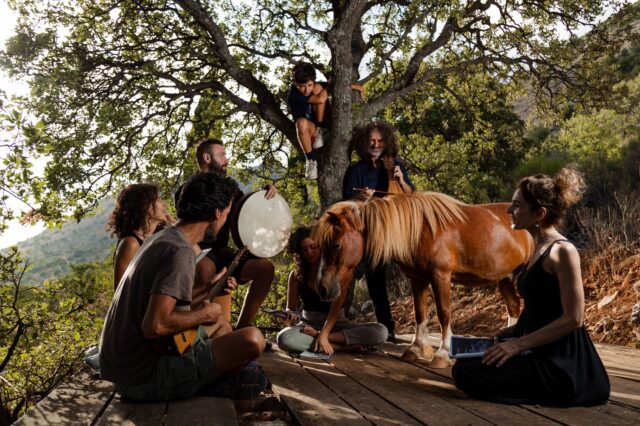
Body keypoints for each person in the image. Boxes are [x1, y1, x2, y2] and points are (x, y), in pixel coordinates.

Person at [100, 172, 268, 401]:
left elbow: (160, 304)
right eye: (227, 213)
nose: (226, 219)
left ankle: (212, 379)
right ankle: (209, 383)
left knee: (220, 324)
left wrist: (208, 288)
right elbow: (155, 326)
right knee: (252, 339)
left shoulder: (163, 238)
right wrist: (204, 312)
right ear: (217, 213)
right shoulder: (180, 251)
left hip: (125, 371)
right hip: (143, 378)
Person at [452, 168, 610, 406]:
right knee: (466, 364)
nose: (509, 210)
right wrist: (503, 336)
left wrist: (518, 345)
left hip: (560, 362)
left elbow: (573, 319)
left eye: (517, 205)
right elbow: (540, 307)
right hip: (535, 347)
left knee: (467, 373)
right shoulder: (537, 248)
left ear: (539, 213)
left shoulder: (563, 252)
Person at [177, 138, 276, 329]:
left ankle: (243, 327)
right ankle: (197, 330)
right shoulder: (188, 189)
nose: (226, 160)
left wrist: (264, 196)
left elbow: (245, 210)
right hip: (199, 251)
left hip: (223, 252)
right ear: (207, 157)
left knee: (265, 268)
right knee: (205, 269)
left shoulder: (229, 187)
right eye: (221, 155)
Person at [343, 121, 415, 342]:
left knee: (377, 281)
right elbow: (346, 201)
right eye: (372, 141)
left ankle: (388, 328)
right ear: (365, 143)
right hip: (363, 231)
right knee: (349, 276)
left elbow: (411, 195)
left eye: (380, 141)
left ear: (387, 142)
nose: (376, 144)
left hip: (388, 231)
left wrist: (401, 180)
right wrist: (362, 197)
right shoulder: (356, 170)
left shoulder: (395, 166)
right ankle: (338, 322)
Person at [277, 227, 388, 355]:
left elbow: (335, 309)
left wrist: (322, 334)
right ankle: (340, 347)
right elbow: (290, 309)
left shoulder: (337, 272)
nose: (309, 253)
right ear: (300, 252)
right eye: (304, 249)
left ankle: (322, 339)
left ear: (321, 246)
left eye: (313, 247)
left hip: (336, 324)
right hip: (308, 325)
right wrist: (290, 317)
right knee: (283, 339)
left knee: (381, 331)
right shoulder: (296, 276)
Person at [287, 62, 364, 180]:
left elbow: (337, 86)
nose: (306, 89)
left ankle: (324, 130)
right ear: (295, 84)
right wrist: (330, 85)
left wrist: (358, 88)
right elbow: (320, 98)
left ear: (312, 81)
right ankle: (311, 161)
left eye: (309, 85)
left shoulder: (315, 86)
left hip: (324, 125)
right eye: (302, 86)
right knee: (301, 122)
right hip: (310, 133)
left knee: (319, 88)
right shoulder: (293, 95)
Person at [107, 183, 172, 290]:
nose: (165, 204)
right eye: (159, 199)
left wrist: (175, 226)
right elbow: (120, 292)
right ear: (145, 206)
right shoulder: (130, 243)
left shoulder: (157, 237)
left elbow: (197, 254)